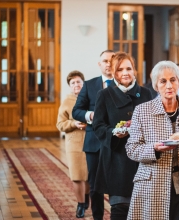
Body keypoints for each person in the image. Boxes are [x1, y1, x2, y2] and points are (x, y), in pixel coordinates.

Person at [125, 61, 179, 220]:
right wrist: (153, 149)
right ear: (156, 85)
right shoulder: (142, 111)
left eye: (173, 80)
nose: (169, 85)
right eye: (163, 81)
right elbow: (132, 149)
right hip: (151, 184)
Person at [93, 52, 152, 219]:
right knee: (120, 209)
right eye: (120, 69)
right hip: (117, 158)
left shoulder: (146, 93)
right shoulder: (104, 95)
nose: (125, 73)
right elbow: (98, 126)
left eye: (129, 68)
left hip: (142, 160)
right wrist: (113, 133)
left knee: (142, 211)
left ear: (134, 70)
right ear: (113, 72)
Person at [72, 50, 115, 220]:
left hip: (118, 143)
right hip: (94, 142)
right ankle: (97, 216)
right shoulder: (89, 85)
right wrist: (90, 115)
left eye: (112, 60)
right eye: (105, 61)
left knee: (117, 182)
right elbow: (77, 111)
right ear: (99, 64)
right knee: (96, 184)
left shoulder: (124, 85)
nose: (109, 64)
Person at [56, 71, 90, 218]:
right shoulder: (66, 102)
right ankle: (80, 204)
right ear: (70, 86)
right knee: (77, 176)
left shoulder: (91, 99)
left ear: (83, 84)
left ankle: (87, 196)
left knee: (89, 175)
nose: (76, 85)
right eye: (73, 83)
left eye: (79, 82)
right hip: (74, 144)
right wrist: (73, 124)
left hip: (91, 141)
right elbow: (60, 124)